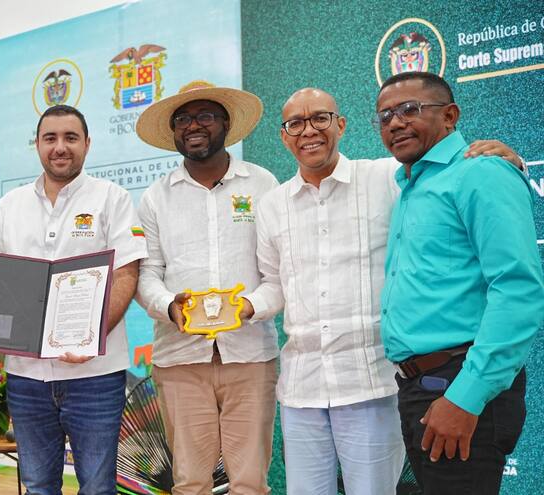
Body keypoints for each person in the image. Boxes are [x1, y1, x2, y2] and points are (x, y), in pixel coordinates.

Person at [249, 86, 522, 494]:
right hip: (301, 387)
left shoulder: (388, 177)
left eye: (320, 118)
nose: (309, 130)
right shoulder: (270, 205)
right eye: (295, 123)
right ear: (284, 136)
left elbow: (451, 178)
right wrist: (245, 307)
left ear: (340, 125)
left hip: (370, 384)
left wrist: (508, 160)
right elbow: (274, 284)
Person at [0, 104, 147, 494]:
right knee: (39, 485)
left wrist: (88, 336)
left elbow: (127, 274)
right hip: (27, 377)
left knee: (96, 487)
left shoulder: (112, 199)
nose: (61, 147)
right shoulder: (11, 205)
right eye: (51, 138)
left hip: (95, 375)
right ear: (37, 145)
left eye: (71, 138)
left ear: (88, 144)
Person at [376, 72, 544, 494]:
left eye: (409, 110)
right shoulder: (412, 184)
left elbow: (518, 289)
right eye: (385, 116)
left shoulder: (480, 173)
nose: (395, 123)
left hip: (458, 385)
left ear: (450, 116)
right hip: (422, 386)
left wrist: (466, 396)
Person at [133, 80, 279, 495]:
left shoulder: (263, 185)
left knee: (250, 482)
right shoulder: (156, 197)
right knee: (190, 482)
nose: (193, 126)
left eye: (204, 116)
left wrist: (249, 307)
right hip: (180, 359)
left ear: (226, 124)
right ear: (174, 131)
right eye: (183, 119)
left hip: (249, 355)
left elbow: (279, 274)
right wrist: (169, 307)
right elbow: (147, 273)